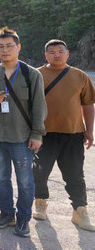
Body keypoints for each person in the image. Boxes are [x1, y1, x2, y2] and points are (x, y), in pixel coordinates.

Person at [0, 27, 47, 238]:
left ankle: (23, 218)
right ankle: (7, 214)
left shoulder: (31, 74)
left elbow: (40, 107)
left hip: (22, 138)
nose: (5, 50)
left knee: (25, 181)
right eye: (1, 46)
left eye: (9, 46)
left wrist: (37, 134)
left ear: (18, 47)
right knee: (1, 179)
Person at [33, 39, 95, 231]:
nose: (57, 55)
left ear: (67, 54)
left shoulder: (80, 76)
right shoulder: (36, 75)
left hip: (73, 134)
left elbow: (88, 104)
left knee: (75, 174)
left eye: (60, 51)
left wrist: (89, 130)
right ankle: (40, 202)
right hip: (43, 134)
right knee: (39, 171)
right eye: (52, 52)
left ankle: (80, 211)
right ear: (46, 55)